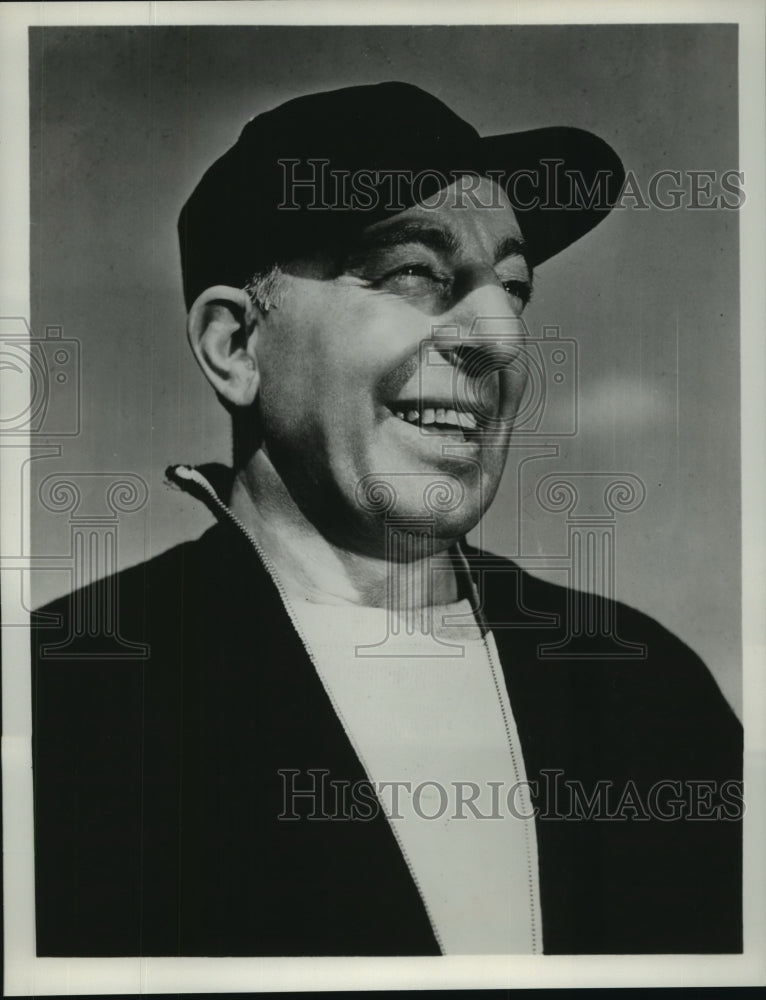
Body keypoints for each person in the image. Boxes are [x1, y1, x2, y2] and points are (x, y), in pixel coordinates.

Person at [31, 82, 742, 957]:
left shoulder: (645, 694)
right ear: (235, 345)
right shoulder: (64, 704)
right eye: (414, 271)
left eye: (514, 289)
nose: (502, 340)